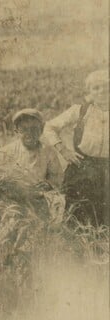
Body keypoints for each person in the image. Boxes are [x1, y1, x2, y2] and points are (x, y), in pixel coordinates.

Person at [43, 69, 109, 227]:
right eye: (96, 88)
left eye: (107, 87)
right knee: (80, 213)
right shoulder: (80, 111)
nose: (102, 92)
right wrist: (64, 150)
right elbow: (49, 127)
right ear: (89, 92)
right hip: (84, 167)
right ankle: (81, 246)